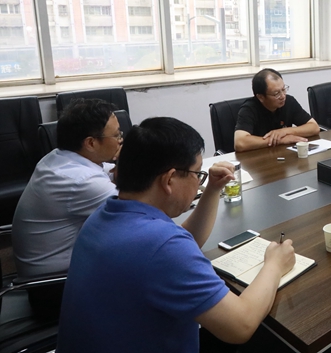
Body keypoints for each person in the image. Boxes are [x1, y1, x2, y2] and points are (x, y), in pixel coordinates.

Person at [57, 117, 296, 353]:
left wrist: (212, 189)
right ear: (169, 179)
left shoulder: (104, 215)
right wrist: (274, 265)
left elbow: (182, 243)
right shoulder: (161, 245)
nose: (199, 182)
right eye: (197, 174)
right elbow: (241, 326)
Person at [12, 98, 121, 316]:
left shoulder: (58, 158)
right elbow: (143, 208)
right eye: (117, 135)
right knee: (150, 269)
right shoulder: (79, 180)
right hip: (55, 289)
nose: (121, 140)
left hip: (49, 276)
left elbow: (109, 173)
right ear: (91, 143)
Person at [234, 68, 320, 151]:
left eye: (283, 89)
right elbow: (240, 143)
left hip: (283, 154)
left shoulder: (289, 101)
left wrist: (285, 131)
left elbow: (314, 127)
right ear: (261, 97)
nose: (282, 96)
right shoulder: (249, 109)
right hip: (257, 157)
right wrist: (279, 140)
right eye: (276, 93)